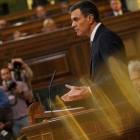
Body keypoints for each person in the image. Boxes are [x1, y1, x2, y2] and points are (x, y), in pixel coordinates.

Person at [61, 0, 128, 104]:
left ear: (90, 18)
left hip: (119, 106)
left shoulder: (105, 37)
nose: (73, 25)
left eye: (76, 19)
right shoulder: (98, 38)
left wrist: (89, 90)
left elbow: (119, 75)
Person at [0, 67, 33, 138]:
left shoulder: (20, 84)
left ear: (11, 74)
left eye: (7, 73)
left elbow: (30, 97)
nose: (6, 75)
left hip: (25, 116)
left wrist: (20, 91)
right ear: (1, 77)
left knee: (32, 136)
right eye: (3, 74)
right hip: (13, 120)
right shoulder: (1, 90)